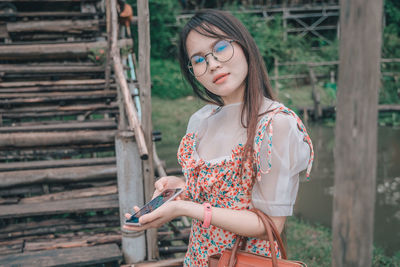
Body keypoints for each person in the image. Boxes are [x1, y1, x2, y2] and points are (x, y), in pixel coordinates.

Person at [123, 9, 314, 266]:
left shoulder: (276, 124)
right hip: (198, 261)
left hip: (245, 261)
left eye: (221, 47)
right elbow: (217, 195)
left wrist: (184, 209)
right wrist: (181, 188)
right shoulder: (200, 121)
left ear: (244, 45)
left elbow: (269, 224)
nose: (212, 64)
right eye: (199, 59)